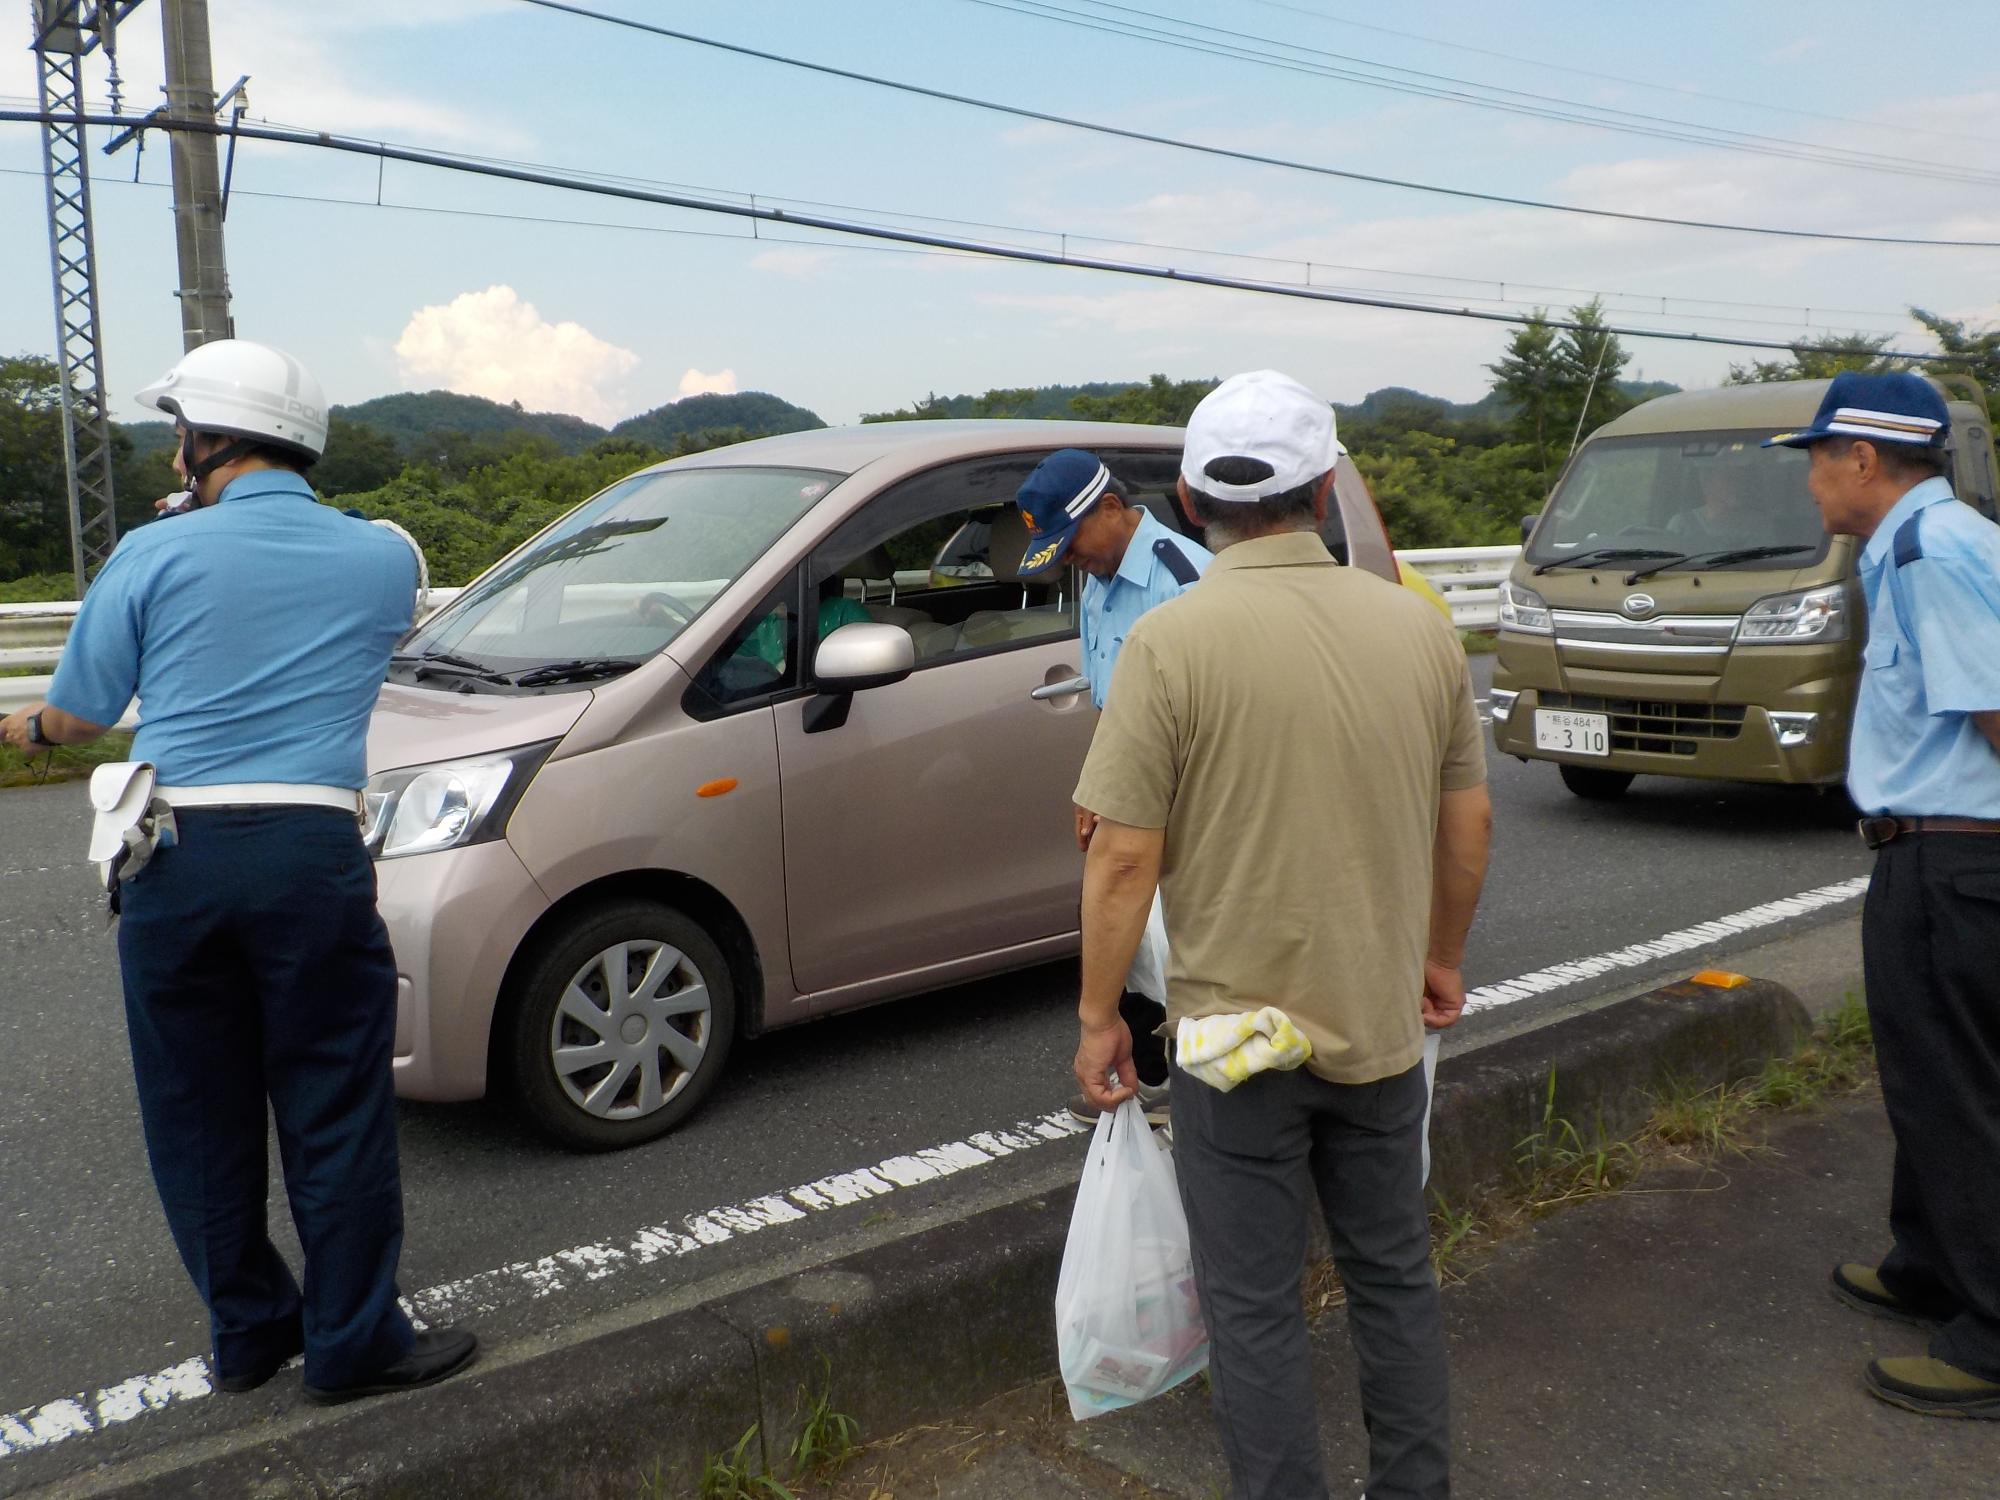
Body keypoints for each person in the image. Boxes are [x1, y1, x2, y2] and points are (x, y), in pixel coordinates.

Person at [0, 339, 477, 1406]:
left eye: (181, 431)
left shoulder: (149, 554)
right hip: (311, 851)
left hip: (176, 855)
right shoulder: (382, 558)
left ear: (207, 439)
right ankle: (354, 1344)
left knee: (196, 1115)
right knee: (335, 1107)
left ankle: (250, 1334)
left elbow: (80, 714)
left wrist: (23, 726)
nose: (175, 450)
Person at [1070, 370, 1490, 1499]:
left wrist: (1101, 1016)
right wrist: (1440, 956)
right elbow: (1469, 822)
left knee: (1252, 1307)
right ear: (1322, 493)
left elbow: (1120, 857)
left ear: (1192, 502)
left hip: (1230, 1044)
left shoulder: (1171, 643)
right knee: (1393, 1279)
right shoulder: (1418, 630)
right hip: (1376, 1020)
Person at [1766, 370, 2000, 1419]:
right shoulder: (1925, 541)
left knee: (1957, 1088)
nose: (1810, 480)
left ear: (1862, 459)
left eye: (1817, 459)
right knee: (1926, 1073)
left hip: (1955, 857)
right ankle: (1930, 1265)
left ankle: (1991, 1336)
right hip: (1934, 851)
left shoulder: (1927, 550)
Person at [1014, 447, 1212, 1125]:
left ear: (1109, 508)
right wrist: (1095, 785)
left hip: (1182, 800)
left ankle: (1198, 1090)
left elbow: (1210, 726)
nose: (1070, 560)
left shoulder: (1184, 581)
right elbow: (1109, 701)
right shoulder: (1098, 576)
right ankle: (1145, 1076)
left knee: (1176, 944)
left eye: (1071, 543)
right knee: (1119, 934)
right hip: (1127, 786)